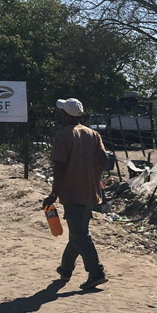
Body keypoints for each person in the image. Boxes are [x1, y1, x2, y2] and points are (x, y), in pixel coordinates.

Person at [44, 98, 110, 290]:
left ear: (66, 115)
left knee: (80, 234)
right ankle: (65, 269)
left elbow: (59, 167)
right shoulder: (93, 134)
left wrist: (54, 193)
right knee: (77, 231)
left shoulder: (63, 135)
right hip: (90, 191)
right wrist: (94, 176)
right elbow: (104, 159)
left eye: (61, 112)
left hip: (72, 192)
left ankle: (96, 272)